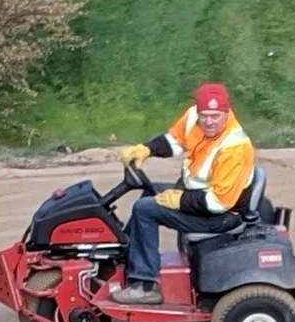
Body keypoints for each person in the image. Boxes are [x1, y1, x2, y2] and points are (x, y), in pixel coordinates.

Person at [109, 82, 258, 305]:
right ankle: (129, 258)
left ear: (226, 113)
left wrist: (180, 200)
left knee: (145, 210)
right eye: (204, 115)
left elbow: (219, 202)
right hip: (199, 195)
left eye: (215, 116)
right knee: (149, 193)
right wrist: (147, 149)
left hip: (221, 216)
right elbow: (175, 141)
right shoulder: (193, 118)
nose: (208, 121)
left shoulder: (234, 147)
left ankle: (145, 285)